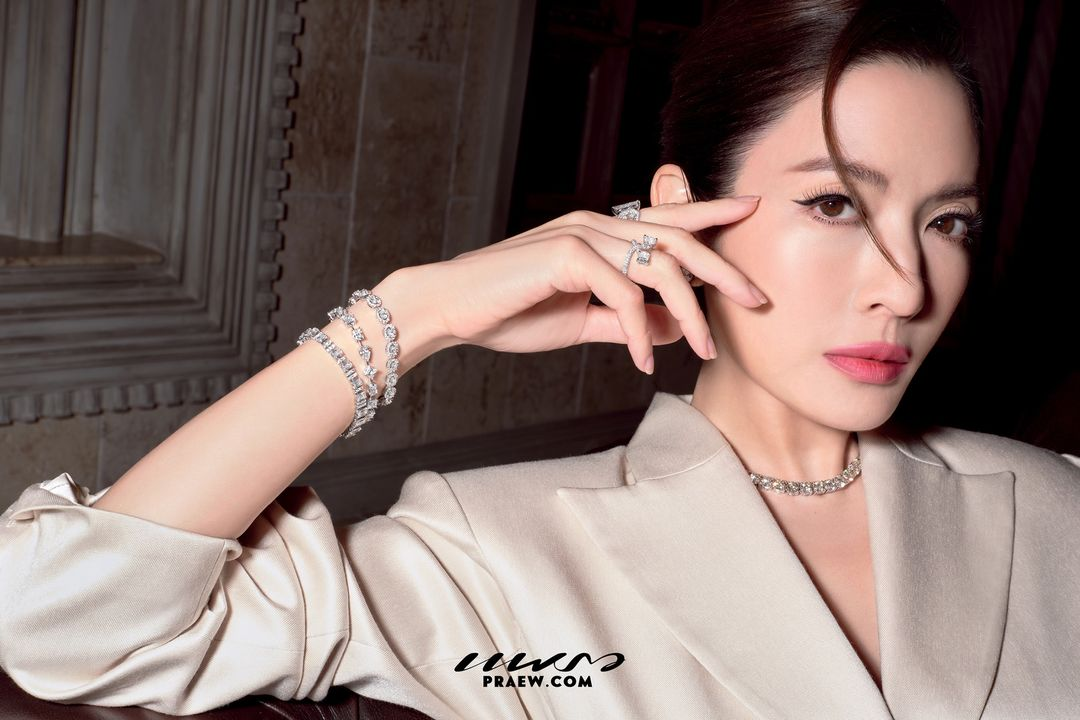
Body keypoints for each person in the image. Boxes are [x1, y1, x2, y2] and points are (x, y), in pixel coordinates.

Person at [1, 0, 1077, 718]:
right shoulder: (494, 556)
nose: (907, 286)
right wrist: (416, 313)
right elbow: (57, 620)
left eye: (948, 223)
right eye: (836, 204)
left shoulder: (1052, 507)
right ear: (680, 211)